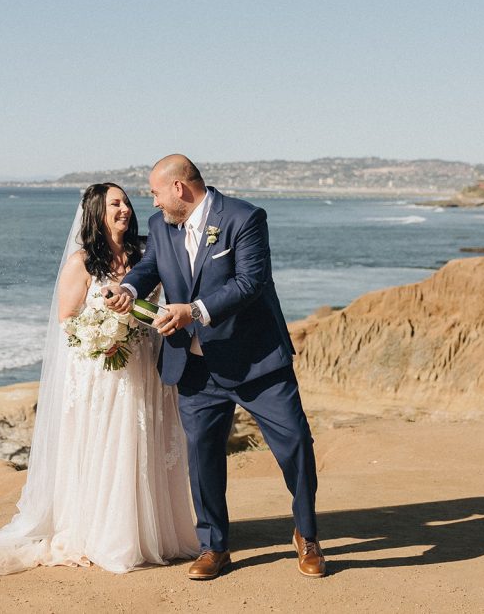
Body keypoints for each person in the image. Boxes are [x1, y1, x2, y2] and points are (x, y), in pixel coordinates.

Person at [0, 182, 198, 574]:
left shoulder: (145, 252)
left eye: (127, 203)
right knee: (110, 446)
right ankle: (107, 534)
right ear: (96, 212)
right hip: (105, 370)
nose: (126, 210)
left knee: (143, 442)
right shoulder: (82, 262)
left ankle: (154, 534)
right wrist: (106, 337)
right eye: (115, 204)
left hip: (146, 362)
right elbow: (67, 321)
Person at [104, 155, 326, 580]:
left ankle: (307, 535)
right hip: (193, 366)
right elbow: (151, 266)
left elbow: (251, 281)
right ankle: (213, 547)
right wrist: (130, 288)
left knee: (296, 444)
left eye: (154, 192)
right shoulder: (159, 226)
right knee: (202, 458)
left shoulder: (245, 217)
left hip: (256, 361)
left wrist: (196, 311)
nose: (150, 202)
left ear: (179, 189)